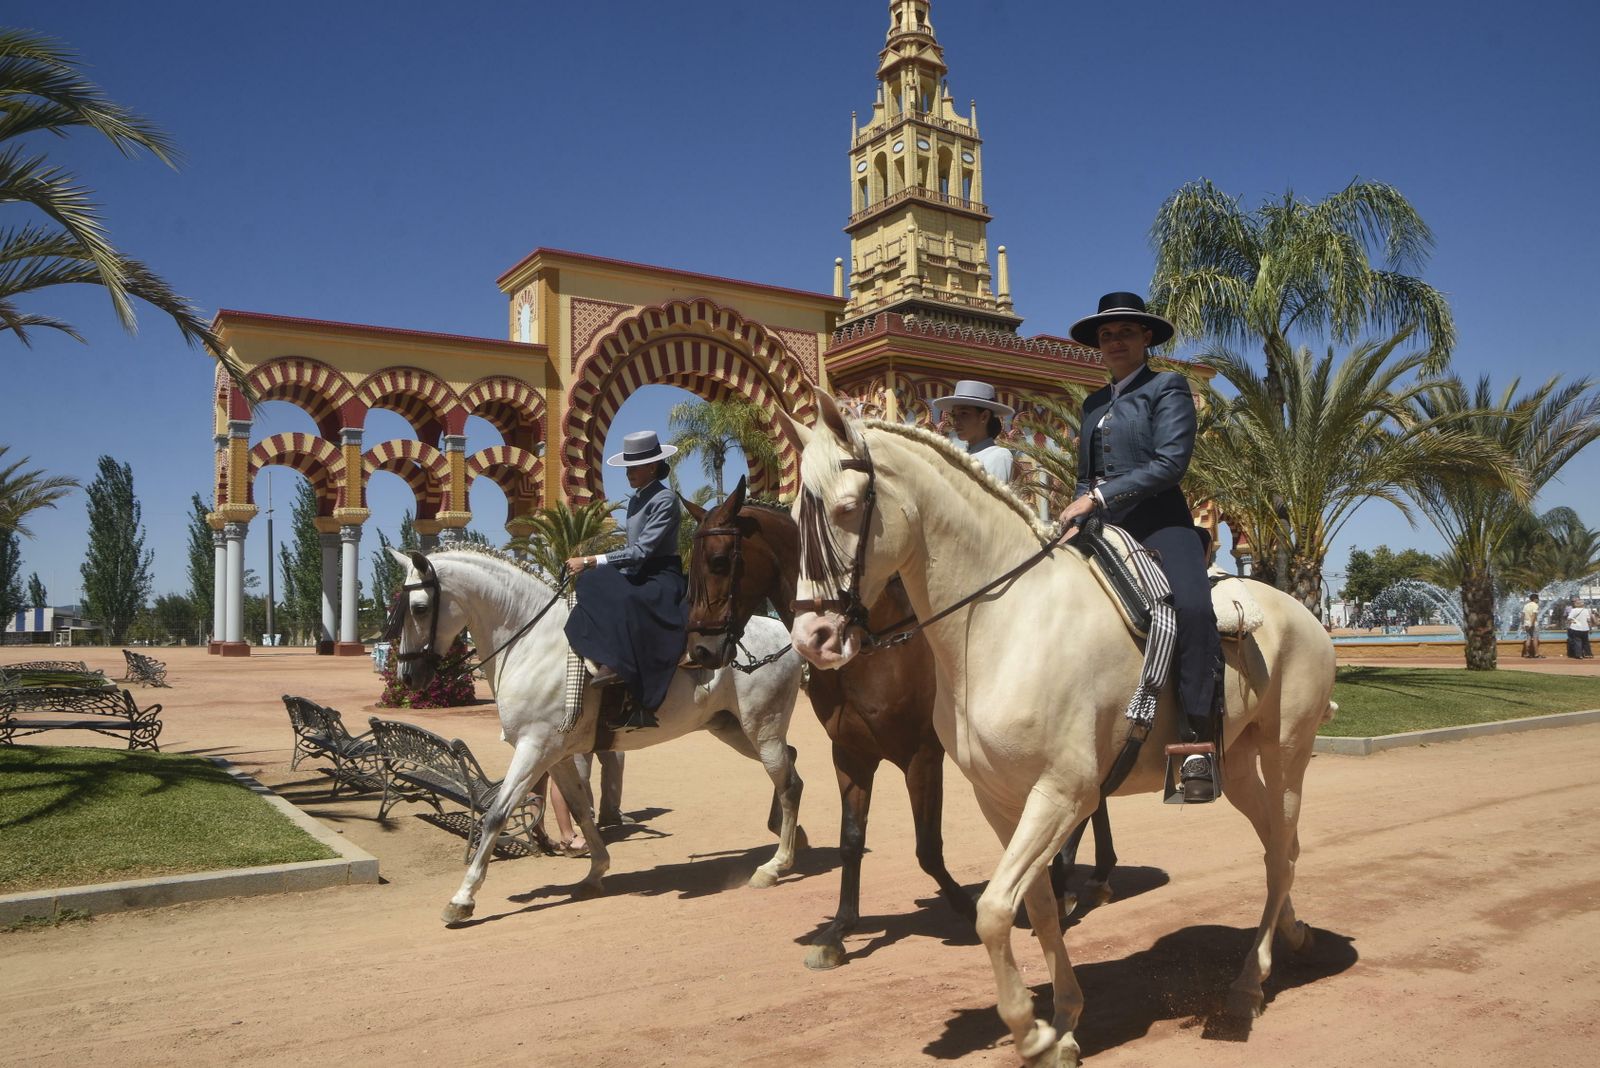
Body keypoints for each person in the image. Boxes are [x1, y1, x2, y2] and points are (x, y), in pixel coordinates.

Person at [1059, 291, 1221, 802]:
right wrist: (1076, 512)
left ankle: (1198, 744)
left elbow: (1172, 463)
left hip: (1158, 524)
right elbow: (1086, 477)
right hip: (1099, 525)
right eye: (1106, 335)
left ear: (1146, 337)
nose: (1114, 341)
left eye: (1125, 332)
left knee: (1193, 608)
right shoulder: (1092, 404)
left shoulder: (1167, 387)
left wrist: (1100, 497)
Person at [564, 430, 686, 730]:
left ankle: (625, 674)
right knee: (592, 583)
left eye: (634, 466)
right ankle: (603, 657)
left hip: (661, 576)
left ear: (652, 467)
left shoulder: (665, 499)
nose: (628, 472)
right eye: (627, 467)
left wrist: (592, 560)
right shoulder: (636, 500)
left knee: (624, 595)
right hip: (638, 572)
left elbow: (642, 551)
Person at [931, 379, 1015, 482]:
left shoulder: (998, 456)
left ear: (984, 416)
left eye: (964, 413)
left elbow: (991, 497)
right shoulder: (959, 456)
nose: (956, 421)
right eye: (954, 415)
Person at [1522, 593, 1543, 659]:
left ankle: (1527, 654)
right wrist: (1532, 624)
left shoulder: (1526, 606)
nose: (1538, 600)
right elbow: (1534, 615)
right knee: (1535, 638)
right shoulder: (1535, 605)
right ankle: (1536, 654)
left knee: (1528, 638)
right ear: (1535, 599)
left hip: (1526, 624)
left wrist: (1523, 624)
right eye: (1538, 599)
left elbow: (1522, 615)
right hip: (1533, 624)